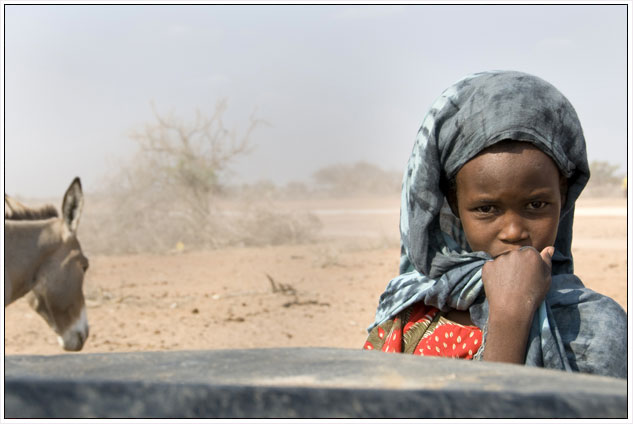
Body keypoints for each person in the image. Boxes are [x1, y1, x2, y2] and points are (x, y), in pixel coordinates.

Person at [363, 71, 627, 379]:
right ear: (454, 204)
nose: (514, 232)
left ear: (563, 194)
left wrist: (512, 314)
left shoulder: (595, 325)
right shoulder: (412, 312)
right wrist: (508, 315)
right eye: (486, 209)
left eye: (536, 205)